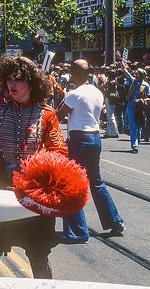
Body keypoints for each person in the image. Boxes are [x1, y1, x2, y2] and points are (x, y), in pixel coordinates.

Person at [0, 56, 68, 279]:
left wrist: (41, 170)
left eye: (19, 79)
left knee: (39, 255)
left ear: (32, 82)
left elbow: (59, 151)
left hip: (32, 193)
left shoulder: (47, 114)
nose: (13, 84)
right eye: (9, 79)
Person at [59, 60, 126, 244]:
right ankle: (114, 220)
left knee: (72, 183)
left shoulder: (74, 94)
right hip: (95, 138)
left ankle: (77, 231)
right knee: (96, 182)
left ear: (73, 74)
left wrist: (64, 96)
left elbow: (59, 115)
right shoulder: (97, 92)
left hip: (79, 139)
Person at [120, 61, 150, 153]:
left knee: (139, 126)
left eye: (138, 74)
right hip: (131, 107)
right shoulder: (133, 81)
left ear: (142, 76)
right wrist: (122, 64)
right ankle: (135, 145)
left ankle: (137, 141)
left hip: (140, 108)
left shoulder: (146, 85)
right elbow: (126, 72)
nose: (136, 75)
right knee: (133, 126)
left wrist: (141, 100)